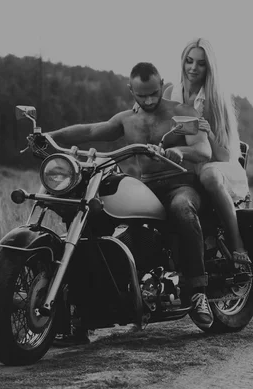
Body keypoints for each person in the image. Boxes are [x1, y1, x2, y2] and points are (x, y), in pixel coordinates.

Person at [46, 62, 215, 344]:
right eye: (141, 95)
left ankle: (198, 293)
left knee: (181, 209)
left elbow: (203, 149)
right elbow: (90, 131)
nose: (148, 101)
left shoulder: (180, 114)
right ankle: (83, 314)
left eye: (153, 93)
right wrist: (50, 136)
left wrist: (179, 151)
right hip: (143, 189)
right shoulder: (127, 120)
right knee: (95, 220)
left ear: (161, 84)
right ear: (130, 90)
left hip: (179, 186)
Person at [137, 38, 252, 270]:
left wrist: (207, 133)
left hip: (217, 164)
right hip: (184, 164)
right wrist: (141, 108)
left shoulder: (214, 100)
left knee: (208, 175)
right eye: (189, 61)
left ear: (209, 67)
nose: (193, 68)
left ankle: (237, 243)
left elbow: (223, 155)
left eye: (200, 63)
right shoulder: (171, 91)